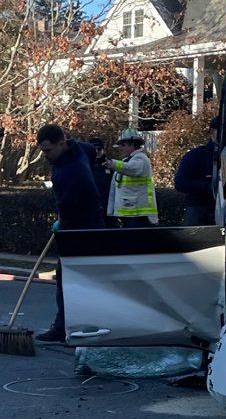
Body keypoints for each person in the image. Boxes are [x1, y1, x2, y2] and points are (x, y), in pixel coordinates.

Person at [36, 124, 105, 343]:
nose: (45, 155)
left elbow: (67, 209)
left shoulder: (69, 172)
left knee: (67, 279)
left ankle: (65, 328)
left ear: (61, 143)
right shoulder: (81, 148)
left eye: (48, 151)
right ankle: (80, 326)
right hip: (93, 223)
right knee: (81, 279)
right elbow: (92, 152)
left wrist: (60, 225)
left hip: (80, 228)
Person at [104, 128, 158, 228]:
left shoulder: (140, 158)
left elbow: (133, 169)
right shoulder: (128, 160)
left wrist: (114, 164)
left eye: (123, 145)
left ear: (132, 145)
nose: (120, 148)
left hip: (138, 214)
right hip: (130, 212)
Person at [174, 116, 219, 226]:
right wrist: (206, 186)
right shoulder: (196, 155)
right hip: (199, 209)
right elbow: (180, 182)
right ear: (212, 132)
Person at [89, 137, 117, 228]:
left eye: (99, 149)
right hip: (92, 207)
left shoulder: (110, 165)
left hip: (108, 206)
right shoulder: (85, 166)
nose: (96, 151)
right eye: (94, 149)